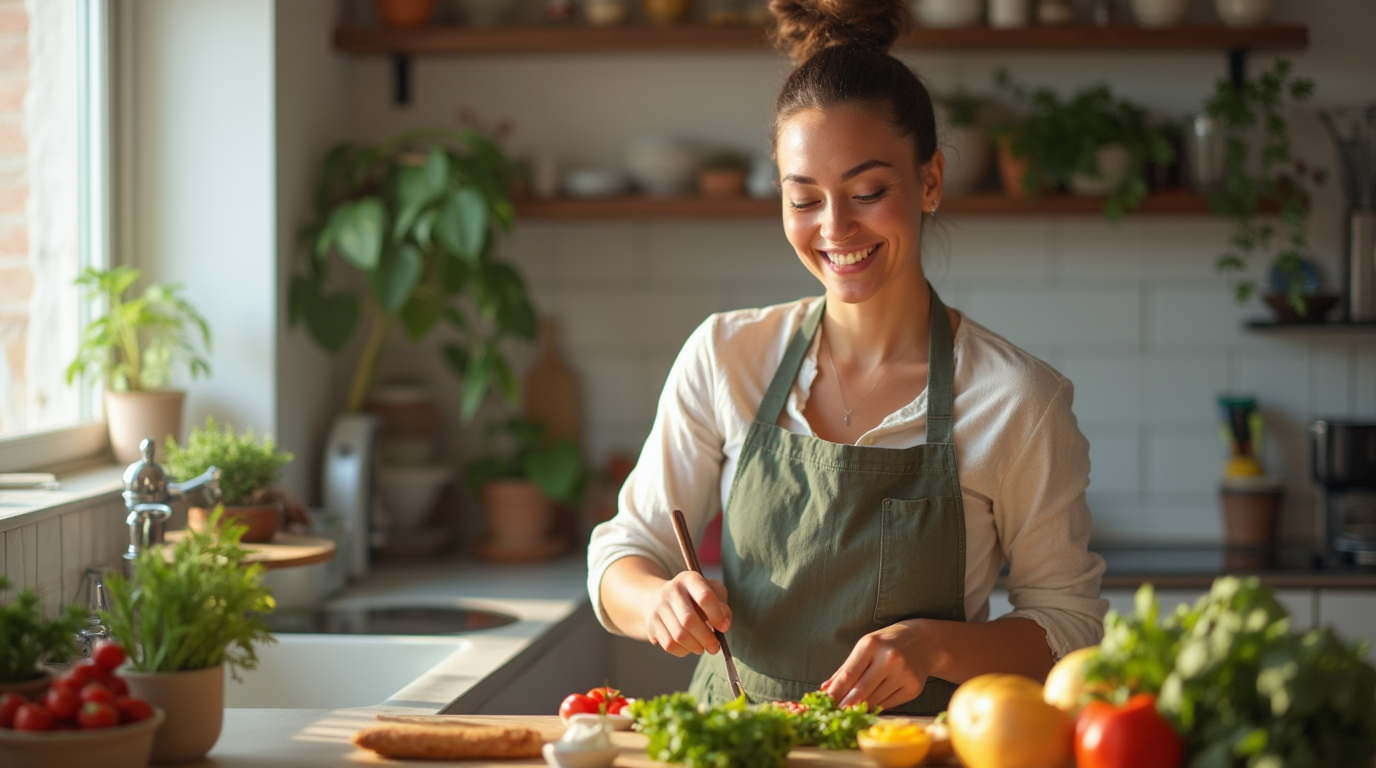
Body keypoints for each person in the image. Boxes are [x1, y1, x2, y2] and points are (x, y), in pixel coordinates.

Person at [585, 0, 1107, 716]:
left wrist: (937, 647)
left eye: (867, 192)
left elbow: (1070, 630)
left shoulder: (1017, 399)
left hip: (914, 756)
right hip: (736, 749)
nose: (835, 230)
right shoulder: (727, 355)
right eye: (804, 200)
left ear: (929, 181)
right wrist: (655, 601)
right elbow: (623, 551)